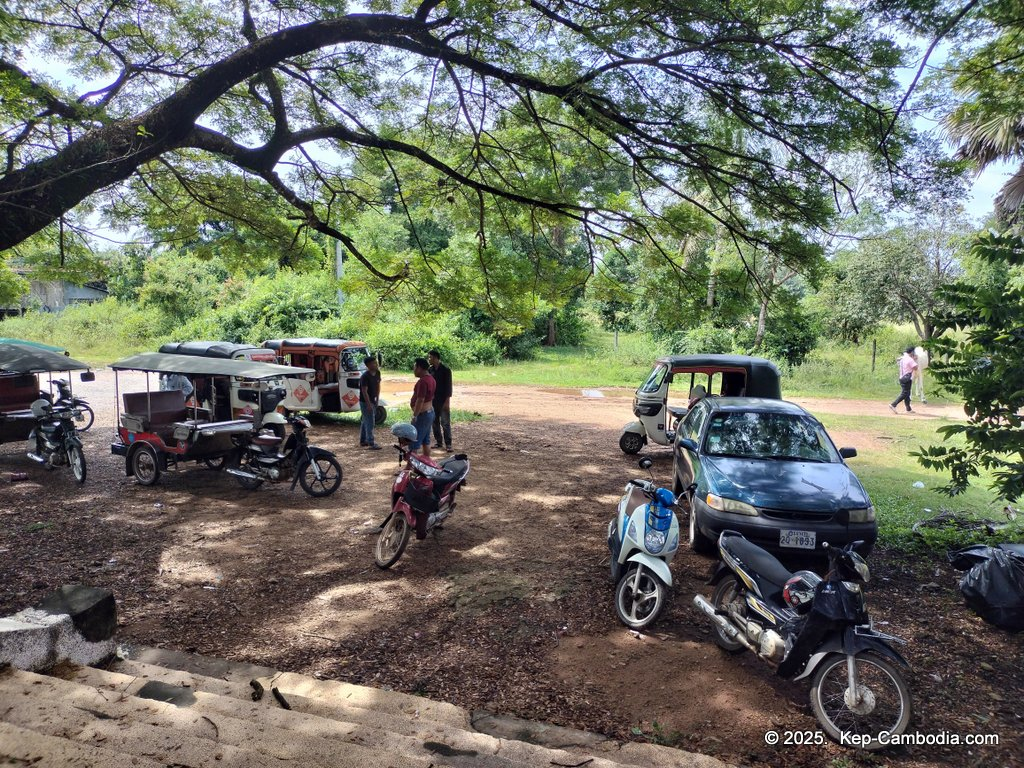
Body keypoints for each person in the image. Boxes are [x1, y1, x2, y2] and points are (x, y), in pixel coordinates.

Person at [409, 357, 436, 456]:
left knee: (413, 441)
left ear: (419, 368)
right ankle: (426, 462)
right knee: (425, 440)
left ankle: (409, 467)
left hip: (423, 415)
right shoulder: (431, 379)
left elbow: (420, 400)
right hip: (429, 413)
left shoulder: (423, 382)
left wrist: (415, 415)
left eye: (414, 367)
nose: (414, 370)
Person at [428, 349, 453, 452]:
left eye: (430, 357)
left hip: (443, 400)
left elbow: (448, 387)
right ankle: (439, 442)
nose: (429, 359)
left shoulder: (446, 370)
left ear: (435, 358)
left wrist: (447, 402)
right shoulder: (430, 370)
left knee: (445, 423)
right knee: (435, 422)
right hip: (433, 400)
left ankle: (448, 444)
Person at [359, 355, 382, 450]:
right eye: (373, 363)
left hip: (372, 400)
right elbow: (364, 391)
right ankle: (371, 442)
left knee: (366, 420)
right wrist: (368, 404)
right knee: (370, 422)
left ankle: (363, 440)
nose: (376, 364)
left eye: (376, 362)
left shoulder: (377, 373)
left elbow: (378, 385)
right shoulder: (365, 376)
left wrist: (377, 398)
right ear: (368, 365)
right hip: (365, 401)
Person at [889, 347, 918, 414]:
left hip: (902, 377)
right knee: (905, 393)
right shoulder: (910, 359)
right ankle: (893, 404)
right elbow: (916, 368)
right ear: (911, 352)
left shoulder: (903, 358)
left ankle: (908, 409)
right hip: (907, 378)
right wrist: (914, 360)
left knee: (907, 394)